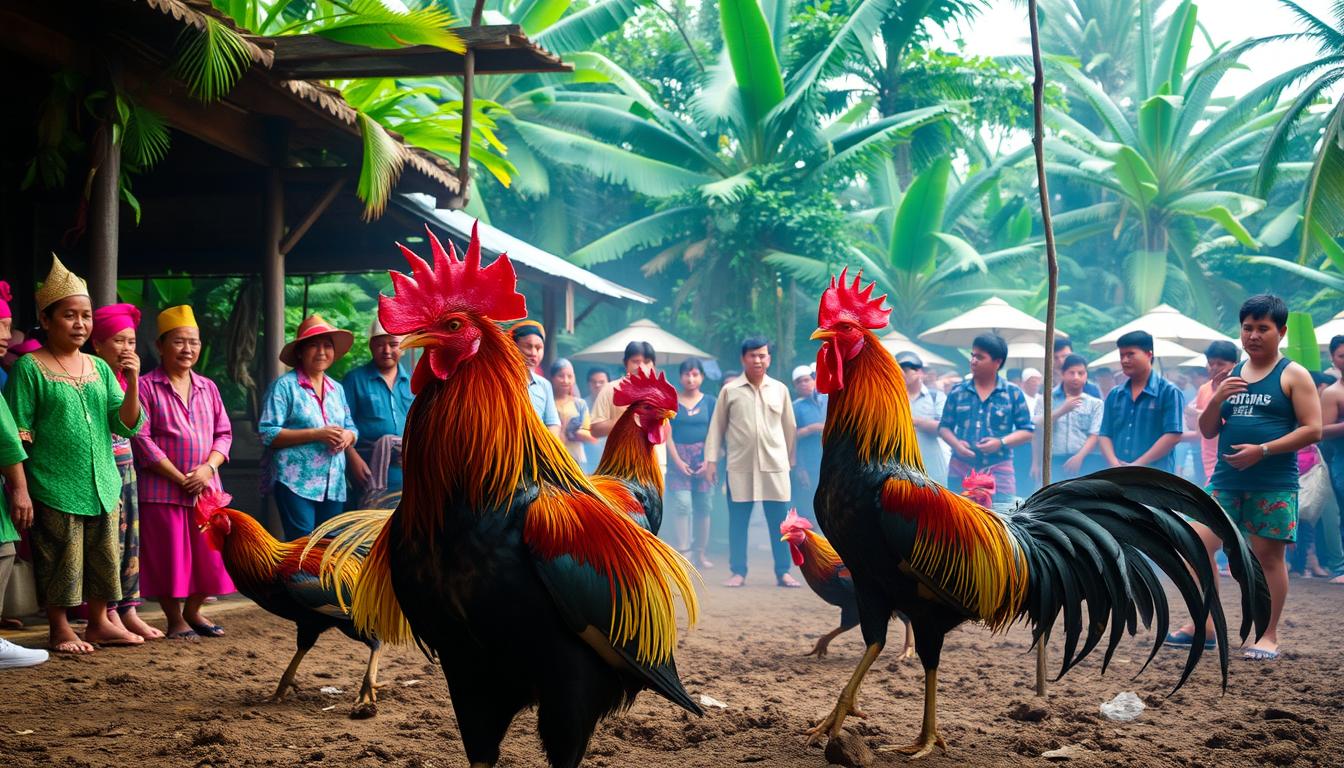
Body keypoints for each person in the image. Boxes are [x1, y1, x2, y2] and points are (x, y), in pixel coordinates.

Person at [5, 256, 145, 654]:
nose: (81, 323)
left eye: (85, 316)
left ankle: (100, 622)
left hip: (103, 479)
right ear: (46, 320)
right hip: (51, 482)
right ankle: (60, 627)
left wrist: (132, 380)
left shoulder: (100, 368)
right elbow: (15, 433)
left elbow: (125, 424)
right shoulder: (29, 368)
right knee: (59, 557)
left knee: (103, 556)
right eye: (69, 315)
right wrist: (20, 488)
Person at [1171, 295, 1321, 660]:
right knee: (1194, 541)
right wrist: (1217, 396)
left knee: (1267, 558)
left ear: (1281, 332)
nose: (1253, 335)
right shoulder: (1232, 375)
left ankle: (1268, 635)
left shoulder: (1293, 374)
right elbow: (1207, 430)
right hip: (1225, 481)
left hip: (1272, 484)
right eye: (1248, 328)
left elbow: (1313, 429)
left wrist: (1263, 450)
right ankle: (1204, 623)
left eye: (1262, 328)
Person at [133, 305, 235, 639]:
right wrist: (180, 478)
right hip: (162, 490)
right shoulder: (146, 387)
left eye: (193, 341)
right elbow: (141, 438)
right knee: (168, 558)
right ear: (160, 346)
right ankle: (174, 619)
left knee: (213, 556)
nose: (187, 348)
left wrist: (208, 468)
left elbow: (224, 434)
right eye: (178, 341)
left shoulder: (209, 386)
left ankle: (194, 612)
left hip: (207, 489)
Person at [89, 303, 163, 641]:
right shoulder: (90, 377)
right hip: (100, 471)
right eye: (118, 341)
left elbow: (134, 427)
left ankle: (128, 609)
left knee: (130, 541)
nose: (126, 349)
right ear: (97, 345)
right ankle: (106, 613)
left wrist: (132, 378)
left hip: (126, 468)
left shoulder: (125, 379)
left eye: (131, 342)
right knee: (110, 543)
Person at [704, 336, 798, 588]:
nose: (757, 360)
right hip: (739, 467)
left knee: (780, 523)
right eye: (752, 355)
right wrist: (711, 461)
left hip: (774, 466)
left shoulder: (780, 390)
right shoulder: (729, 391)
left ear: (769, 358)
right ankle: (738, 571)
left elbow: (789, 426)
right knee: (738, 522)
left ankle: (783, 571)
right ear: (743, 358)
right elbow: (717, 428)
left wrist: (790, 457)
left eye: (762, 355)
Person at [259, 314, 357, 540]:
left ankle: (321, 579)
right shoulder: (284, 387)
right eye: (313, 345)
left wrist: (348, 437)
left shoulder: (337, 389)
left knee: (328, 545)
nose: (321, 352)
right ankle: (298, 578)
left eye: (327, 346)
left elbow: (352, 426)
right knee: (302, 545)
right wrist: (317, 434)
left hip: (334, 482)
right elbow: (267, 433)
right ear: (301, 352)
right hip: (295, 482)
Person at [938, 333, 1034, 504]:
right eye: (972, 355)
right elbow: (944, 427)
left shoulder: (1013, 393)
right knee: (959, 522)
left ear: (997, 362)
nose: (973, 361)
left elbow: (1027, 431)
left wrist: (1001, 442)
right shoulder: (957, 392)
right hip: (961, 468)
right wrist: (956, 445)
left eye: (980, 357)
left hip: (999, 469)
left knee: (1002, 520)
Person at [342, 317, 413, 501]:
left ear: (403, 347)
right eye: (380, 344)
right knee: (369, 522)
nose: (387, 350)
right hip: (367, 467)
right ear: (371, 346)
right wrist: (352, 459)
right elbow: (341, 423)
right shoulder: (354, 380)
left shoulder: (414, 383)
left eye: (393, 344)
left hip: (407, 468)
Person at [1098, 331, 1186, 473]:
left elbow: (1173, 435)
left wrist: (1137, 465)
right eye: (1121, 355)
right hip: (1118, 476)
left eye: (1130, 354)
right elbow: (1104, 434)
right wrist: (1114, 464)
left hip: (1156, 477)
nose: (1124, 360)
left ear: (1148, 354)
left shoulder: (1169, 392)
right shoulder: (1115, 394)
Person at [589, 342, 670, 475]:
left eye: (647, 361)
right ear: (625, 363)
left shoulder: (659, 392)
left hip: (654, 465)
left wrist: (660, 420)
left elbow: (665, 434)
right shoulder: (611, 389)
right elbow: (595, 430)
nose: (641, 366)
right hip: (619, 465)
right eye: (635, 361)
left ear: (654, 365)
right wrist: (628, 419)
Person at [668, 358, 716, 568]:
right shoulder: (671, 400)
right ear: (680, 377)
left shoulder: (710, 402)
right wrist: (677, 461)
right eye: (687, 374)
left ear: (702, 377)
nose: (691, 378)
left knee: (704, 505)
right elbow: (666, 434)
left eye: (695, 374)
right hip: (678, 458)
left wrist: (709, 460)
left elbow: (716, 432)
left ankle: (701, 553)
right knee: (682, 504)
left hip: (704, 457)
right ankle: (684, 552)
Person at [1032, 354, 1104, 482]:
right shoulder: (1047, 398)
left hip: (1084, 461)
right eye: (1071, 373)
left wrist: (1079, 457)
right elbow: (1037, 427)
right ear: (1063, 374)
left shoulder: (1095, 403)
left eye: (1081, 373)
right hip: (1052, 461)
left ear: (1086, 375)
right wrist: (1062, 410)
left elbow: (1095, 434)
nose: (1076, 377)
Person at [1188, 341, 1240, 484]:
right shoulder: (1203, 390)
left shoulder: (1241, 389)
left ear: (1235, 364)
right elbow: (1200, 428)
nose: (1214, 368)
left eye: (1220, 364)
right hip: (1210, 466)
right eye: (1211, 364)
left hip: (1234, 465)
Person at [1316, 336, 1344, 584]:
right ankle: (1341, 568)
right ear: (1333, 359)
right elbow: (1322, 430)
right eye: (1342, 355)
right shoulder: (1333, 392)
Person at [897, 352, 948, 485]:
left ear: (919, 371)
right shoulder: (893, 399)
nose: (903, 373)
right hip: (901, 469)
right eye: (899, 369)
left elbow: (943, 428)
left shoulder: (936, 396)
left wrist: (913, 421)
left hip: (932, 468)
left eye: (907, 369)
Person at [510, 321, 561, 438]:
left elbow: (552, 422)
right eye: (528, 346)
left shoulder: (544, 385)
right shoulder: (499, 381)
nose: (534, 353)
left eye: (539, 348)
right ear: (513, 348)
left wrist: (548, 449)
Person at [790, 365, 827, 522]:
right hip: (808, 462)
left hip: (829, 463)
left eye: (807, 380)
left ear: (814, 380)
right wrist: (800, 468)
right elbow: (790, 438)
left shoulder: (827, 401)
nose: (804, 384)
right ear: (795, 386)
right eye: (799, 382)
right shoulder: (795, 407)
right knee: (809, 506)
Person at [550, 358, 597, 470]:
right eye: (561, 376)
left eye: (570, 376)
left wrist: (574, 432)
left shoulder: (579, 404)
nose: (566, 380)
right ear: (552, 378)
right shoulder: (547, 402)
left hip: (576, 460)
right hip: (551, 458)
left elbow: (590, 433)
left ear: (574, 378)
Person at [585, 368, 610, 462]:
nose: (597, 385)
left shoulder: (617, 405)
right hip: (589, 456)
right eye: (593, 382)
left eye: (601, 382)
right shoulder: (582, 405)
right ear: (588, 384)